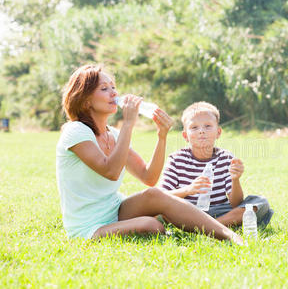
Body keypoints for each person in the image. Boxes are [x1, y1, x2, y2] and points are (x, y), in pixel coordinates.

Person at [56, 64, 242, 244]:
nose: (114, 93)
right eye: (104, 89)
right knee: (151, 225)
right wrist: (128, 123)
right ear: (86, 99)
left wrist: (162, 136)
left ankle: (228, 234)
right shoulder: (76, 131)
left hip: (114, 209)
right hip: (88, 226)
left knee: (154, 194)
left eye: (113, 87)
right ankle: (195, 222)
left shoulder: (112, 134)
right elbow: (110, 171)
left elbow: (149, 177)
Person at [160, 102, 273, 227]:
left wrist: (235, 180)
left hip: (218, 212)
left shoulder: (226, 158)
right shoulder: (176, 159)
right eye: (194, 127)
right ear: (185, 135)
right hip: (187, 212)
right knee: (154, 210)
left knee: (260, 203)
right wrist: (188, 189)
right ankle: (214, 227)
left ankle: (210, 226)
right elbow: (162, 196)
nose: (201, 131)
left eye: (208, 126)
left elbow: (236, 203)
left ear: (218, 132)